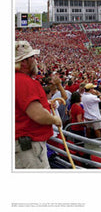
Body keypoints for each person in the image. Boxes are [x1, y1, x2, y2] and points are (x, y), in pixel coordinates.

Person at [15, 40, 62, 169]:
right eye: (32, 57)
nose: (35, 60)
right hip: (28, 148)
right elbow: (38, 115)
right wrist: (55, 119)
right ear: (23, 61)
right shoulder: (23, 81)